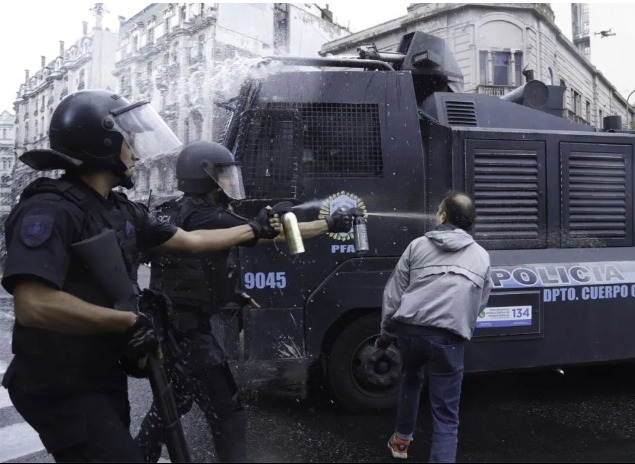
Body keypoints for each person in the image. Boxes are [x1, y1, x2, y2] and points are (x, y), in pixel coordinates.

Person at [0, 90, 281, 463]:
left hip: (98, 373)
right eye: (127, 140)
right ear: (104, 142)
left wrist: (255, 231)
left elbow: (192, 241)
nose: (134, 150)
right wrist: (127, 322)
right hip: (57, 380)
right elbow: (33, 304)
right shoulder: (50, 209)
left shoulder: (120, 210)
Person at [135, 140, 353, 463]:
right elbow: (274, 236)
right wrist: (330, 224)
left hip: (170, 328)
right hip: (188, 333)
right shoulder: (205, 215)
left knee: (174, 400)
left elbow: (185, 269)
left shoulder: (177, 210)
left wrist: (231, 294)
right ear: (204, 178)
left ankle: (139, 453)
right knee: (229, 412)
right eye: (222, 175)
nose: (228, 182)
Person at [376, 192, 491, 463]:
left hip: (411, 333)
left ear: (444, 216)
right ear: (472, 222)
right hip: (448, 339)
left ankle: (401, 442)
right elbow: (480, 302)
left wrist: (385, 335)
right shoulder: (481, 256)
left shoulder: (416, 246)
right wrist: (460, 328)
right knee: (446, 415)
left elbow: (393, 294)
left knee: (411, 380)